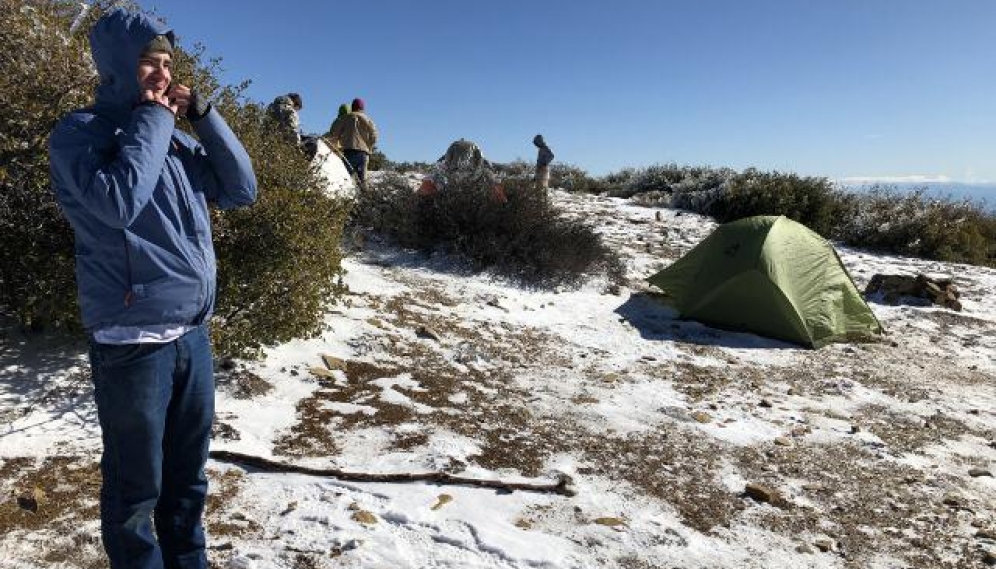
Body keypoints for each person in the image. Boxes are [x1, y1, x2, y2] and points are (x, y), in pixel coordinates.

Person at [48, 8, 257, 569]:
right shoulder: (79, 134)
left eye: (166, 62)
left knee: (188, 484)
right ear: (117, 66)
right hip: (132, 340)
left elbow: (241, 190)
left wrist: (207, 119)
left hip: (192, 335)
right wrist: (155, 121)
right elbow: (117, 204)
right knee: (136, 495)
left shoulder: (169, 140)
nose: (162, 73)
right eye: (148, 61)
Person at [329, 97, 377, 187]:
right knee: (362, 182)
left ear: (352, 107)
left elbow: (334, 134)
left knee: (344, 179)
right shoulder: (368, 120)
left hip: (349, 152)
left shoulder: (346, 118)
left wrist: (336, 146)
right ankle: (365, 200)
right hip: (364, 154)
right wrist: (369, 147)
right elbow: (374, 137)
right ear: (363, 108)